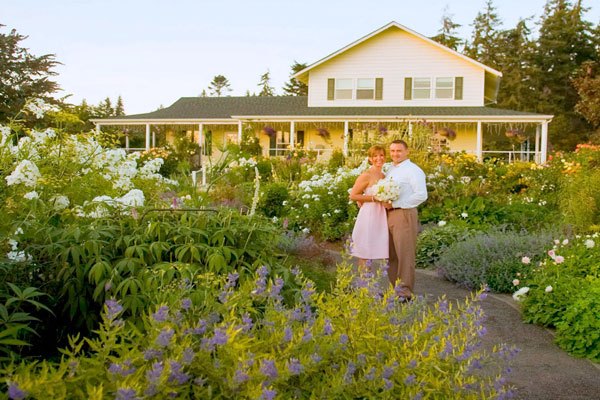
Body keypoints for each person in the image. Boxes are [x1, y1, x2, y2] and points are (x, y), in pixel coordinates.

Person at [385, 140, 428, 300]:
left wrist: (396, 204)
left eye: (399, 151)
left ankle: (405, 292)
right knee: (391, 254)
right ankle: (394, 289)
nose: (395, 154)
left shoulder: (413, 170)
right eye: (392, 151)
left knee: (405, 254)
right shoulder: (390, 169)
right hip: (389, 214)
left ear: (407, 151)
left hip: (404, 213)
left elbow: (421, 195)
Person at [348, 145, 389, 270]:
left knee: (375, 249)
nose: (379, 158)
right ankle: (363, 285)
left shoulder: (384, 176)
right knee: (365, 252)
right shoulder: (366, 175)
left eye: (381, 155)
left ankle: (370, 285)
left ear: (385, 157)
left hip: (381, 215)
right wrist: (372, 198)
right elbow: (353, 195)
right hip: (369, 215)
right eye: (375, 156)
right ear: (370, 159)